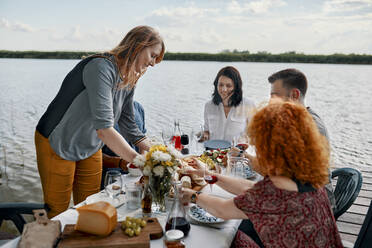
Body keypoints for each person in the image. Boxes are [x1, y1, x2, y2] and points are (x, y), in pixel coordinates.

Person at [34, 26, 165, 217]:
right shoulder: (101, 67)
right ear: (138, 46)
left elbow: (128, 122)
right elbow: (104, 128)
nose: (153, 63)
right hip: (58, 141)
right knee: (57, 212)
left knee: (91, 207)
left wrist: (157, 153)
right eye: (153, 55)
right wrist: (139, 161)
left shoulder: (129, 76)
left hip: (90, 144)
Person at [183, 100, 343, 247]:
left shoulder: (273, 191)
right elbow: (251, 187)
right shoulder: (304, 175)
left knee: (224, 237)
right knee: (233, 235)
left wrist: (192, 196)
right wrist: (209, 175)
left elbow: (222, 210)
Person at [266, 68, 336, 209]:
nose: (270, 102)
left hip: (314, 205)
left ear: (294, 95)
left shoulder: (311, 128)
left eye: (275, 96)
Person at [201, 66, 255, 144]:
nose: (224, 89)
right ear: (216, 85)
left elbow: (256, 135)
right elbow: (207, 131)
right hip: (212, 153)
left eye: (228, 86)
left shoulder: (248, 104)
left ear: (236, 87)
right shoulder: (209, 106)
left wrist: (245, 140)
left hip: (237, 154)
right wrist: (204, 135)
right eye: (221, 85)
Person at [101, 100, 146, 189]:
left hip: (137, 178)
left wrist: (142, 158)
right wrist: (120, 162)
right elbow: (92, 156)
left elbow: (142, 139)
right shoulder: (102, 113)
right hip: (112, 179)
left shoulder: (138, 107)